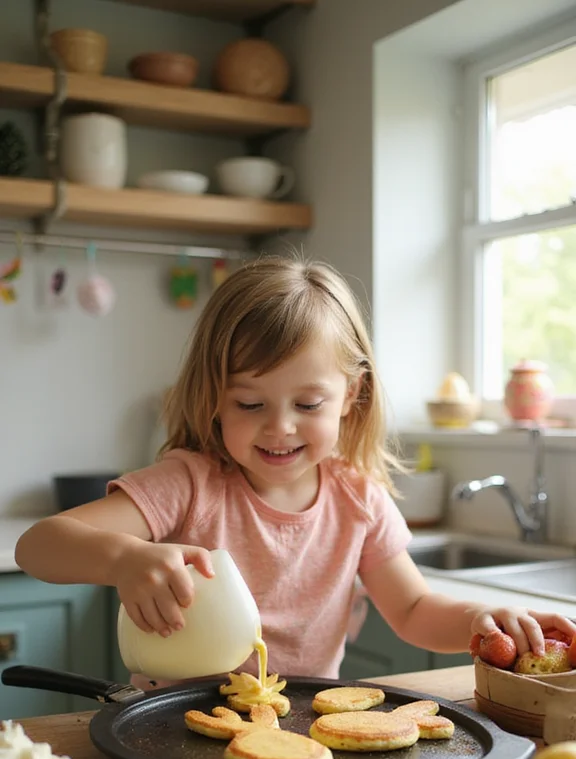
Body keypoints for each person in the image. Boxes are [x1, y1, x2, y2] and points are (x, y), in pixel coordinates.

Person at [15, 256, 574, 685]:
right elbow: (38, 545)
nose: (279, 427)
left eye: (307, 404)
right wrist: (123, 559)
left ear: (351, 394)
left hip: (302, 735)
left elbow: (412, 609)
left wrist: (481, 618)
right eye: (250, 404)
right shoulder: (188, 484)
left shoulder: (358, 500)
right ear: (214, 398)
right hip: (173, 731)